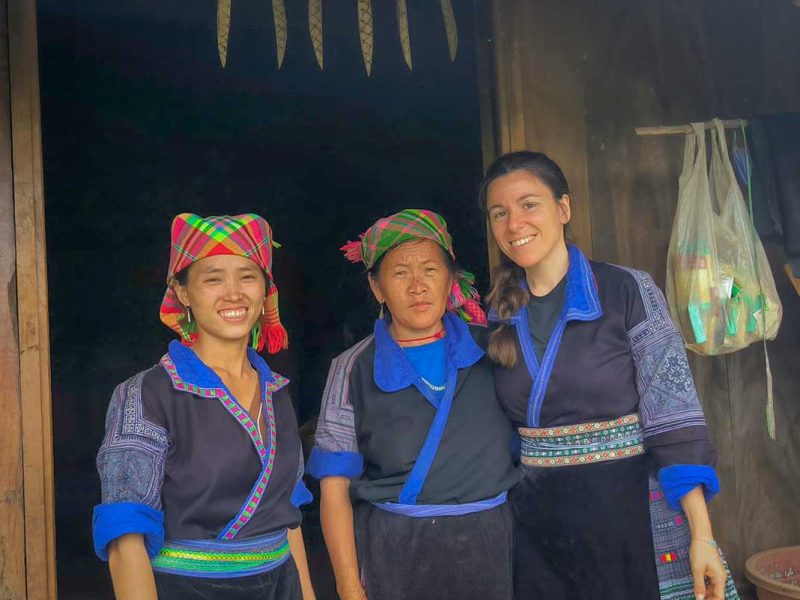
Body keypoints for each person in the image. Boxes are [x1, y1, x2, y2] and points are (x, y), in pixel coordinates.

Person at [481, 152, 739, 600]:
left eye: (528, 205)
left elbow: (673, 418)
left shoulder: (627, 291)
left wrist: (702, 535)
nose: (513, 224)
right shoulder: (493, 316)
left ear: (563, 209)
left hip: (628, 516)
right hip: (538, 530)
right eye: (499, 213)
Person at [93, 213, 316, 600]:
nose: (234, 293)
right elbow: (125, 537)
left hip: (281, 586)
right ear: (183, 292)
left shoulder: (276, 392)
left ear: (265, 289)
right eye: (213, 278)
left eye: (248, 276)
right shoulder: (148, 394)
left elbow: (287, 518)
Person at [307, 209, 518, 600]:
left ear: (450, 279)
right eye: (401, 273)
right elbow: (333, 487)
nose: (418, 286)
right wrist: (349, 586)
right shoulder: (352, 367)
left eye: (430, 271)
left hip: (491, 545)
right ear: (377, 288)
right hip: (395, 552)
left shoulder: (494, 347)